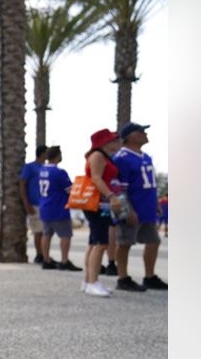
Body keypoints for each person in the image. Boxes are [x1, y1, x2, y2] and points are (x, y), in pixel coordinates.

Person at [112, 123, 167, 291]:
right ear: (130, 137)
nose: (145, 133)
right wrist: (128, 209)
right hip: (133, 208)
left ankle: (149, 276)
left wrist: (156, 202)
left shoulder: (145, 157)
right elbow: (120, 188)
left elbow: (150, 183)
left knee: (153, 241)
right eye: (141, 131)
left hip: (147, 207)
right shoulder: (121, 158)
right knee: (125, 243)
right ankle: (123, 278)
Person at [80, 129, 125, 297]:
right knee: (101, 244)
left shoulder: (103, 156)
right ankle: (93, 282)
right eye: (114, 139)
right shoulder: (98, 156)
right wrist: (111, 196)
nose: (118, 141)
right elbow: (96, 178)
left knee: (94, 243)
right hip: (98, 203)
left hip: (101, 204)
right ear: (105, 142)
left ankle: (88, 280)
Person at [36, 146, 81, 271]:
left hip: (45, 206)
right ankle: (64, 260)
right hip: (58, 207)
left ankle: (45, 259)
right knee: (65, 235)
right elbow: (69, 189)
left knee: (46, 234)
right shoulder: (59, 172)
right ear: (58, 156)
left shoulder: (41, 171)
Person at [20, 145, 49, 264]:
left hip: (45, 204)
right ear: (42, 153)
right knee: (38, 230)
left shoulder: (46, 168)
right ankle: (39, 254)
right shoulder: (29, 167)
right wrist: (26, 202)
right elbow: (22, 184)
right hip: (34, 203)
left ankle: (45, 254)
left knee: (45, 231)